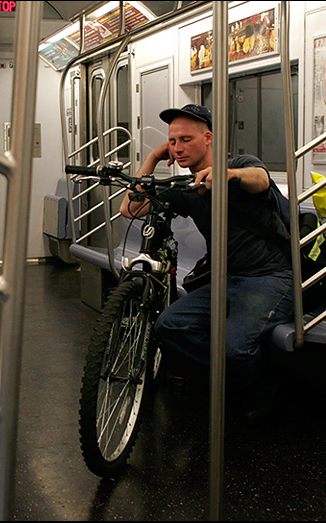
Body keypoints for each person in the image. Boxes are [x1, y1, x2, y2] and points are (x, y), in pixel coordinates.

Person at [119, 104, 293, 421]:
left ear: (208, 137)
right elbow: (131, 210)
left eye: (186, 139)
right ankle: (224, 380)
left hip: (269, 277)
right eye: (172, 142)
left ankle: (258, 393)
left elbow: (261, 180)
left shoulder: (239, 166)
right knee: (169, 326)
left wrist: (230, 176)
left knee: (234, 348)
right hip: (224, 279)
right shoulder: (187, 189)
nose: (178, 148)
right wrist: (153, 159)